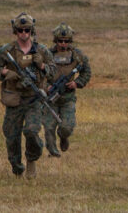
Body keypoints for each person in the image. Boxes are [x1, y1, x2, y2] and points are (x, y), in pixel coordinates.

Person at [0, 12, 54, 179]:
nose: (23, 34)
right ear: (15, 31)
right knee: (11, 136)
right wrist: (6, 73)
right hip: (14, 99)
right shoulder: (6, 50)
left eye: (27, 30)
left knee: (32, 132)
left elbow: (53, 73)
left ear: (31, 30)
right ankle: (17, 167)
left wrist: (41, 66)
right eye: (20, 30)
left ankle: (32, 159)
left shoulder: (42, 50)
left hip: (34, 98)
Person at [42, 23, 91, 157]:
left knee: (67, 127)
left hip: (67, 99)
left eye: (66, 41)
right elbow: (39, 74)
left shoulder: (77, 55)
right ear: (55, 40)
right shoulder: (47, 55)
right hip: (50, 99)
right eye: (60, 41)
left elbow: (86, 72)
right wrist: (46, 87)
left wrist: (77, 83)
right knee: (49, 127)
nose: (63, 44)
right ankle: (53, 153)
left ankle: (63, 137)